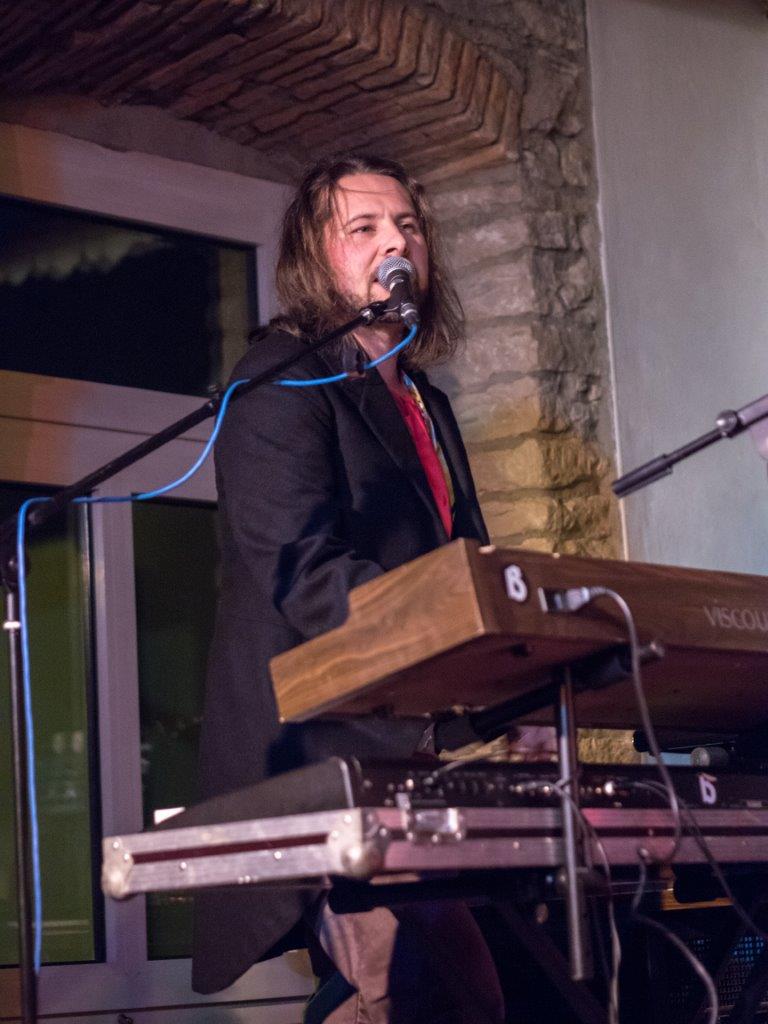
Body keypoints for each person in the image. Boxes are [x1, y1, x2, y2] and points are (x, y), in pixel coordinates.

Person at [192, 154, 505, 1023]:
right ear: (314, 257)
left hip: (400, 744)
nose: (394, 243)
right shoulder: (279, 380)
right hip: (316, 750)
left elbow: (462, 568)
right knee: (408, 992)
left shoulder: (424, 400)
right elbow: (303, 571)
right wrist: (440, 640)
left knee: (462, 996)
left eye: (407, 227)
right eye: (362, 228)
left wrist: (503, 683)